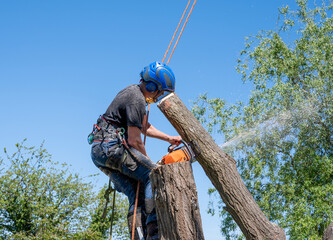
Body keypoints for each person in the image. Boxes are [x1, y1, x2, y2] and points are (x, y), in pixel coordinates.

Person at [89, 61, 181, 240]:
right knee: (153, 175)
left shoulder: (133, 94)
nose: (159, 96)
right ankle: (154, 233)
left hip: (99, 150)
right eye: (160, 92)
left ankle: (139, 236)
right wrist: (148, 162)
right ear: (153, 85)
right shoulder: (136, 97)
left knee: (135, 192)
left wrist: (169, 138)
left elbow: (144, 126)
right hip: (111, 147)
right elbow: (135, 140)